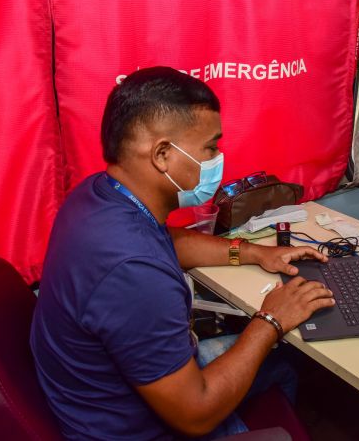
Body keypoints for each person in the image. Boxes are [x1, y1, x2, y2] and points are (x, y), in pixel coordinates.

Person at [30, 67, 334, 439]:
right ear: (162, 155)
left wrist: (253, 253)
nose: (217, 157)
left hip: (102, 395)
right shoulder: (134, 272)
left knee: (284, 363)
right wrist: (271, 319)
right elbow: (196, 413)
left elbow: (167, 241)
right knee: (277, 350)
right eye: (210, 147)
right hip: (138, 427)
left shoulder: (99, 195)